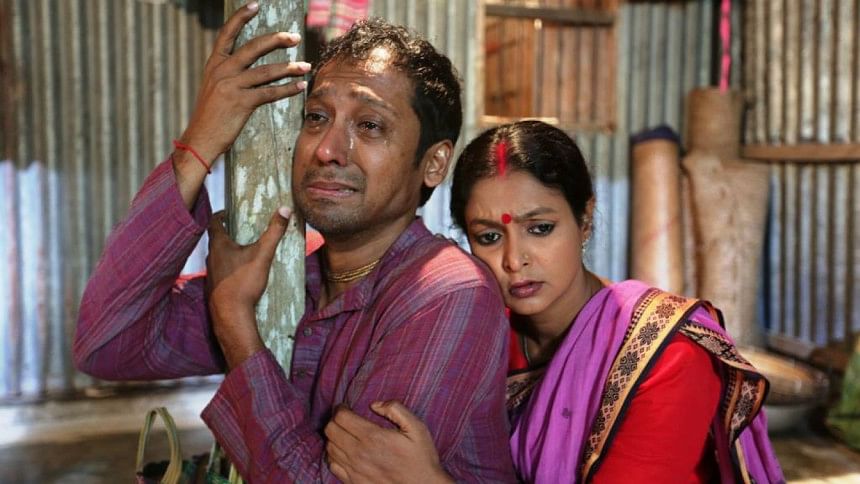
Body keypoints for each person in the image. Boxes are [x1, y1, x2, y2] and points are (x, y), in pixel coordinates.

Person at [73, 4, 516, 482]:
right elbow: (107, 345)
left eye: (369, 125)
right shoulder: (292, 271)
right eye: (316, 117)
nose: (326, 150)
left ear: (433, 163)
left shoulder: (448, 295)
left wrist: (235, 323)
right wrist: (200, 142)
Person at [324, 120, 785, 483]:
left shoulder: (665, 353)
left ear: (585, 220)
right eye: (489, 237)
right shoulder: (480, 331)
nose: (514, 260)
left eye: (540, 228)